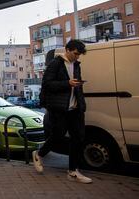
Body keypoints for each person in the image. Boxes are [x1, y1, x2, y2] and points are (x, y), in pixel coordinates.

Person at [32, 39, 92, 184]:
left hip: (75, 108)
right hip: (59, 108)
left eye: (79, 55)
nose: (77, 57)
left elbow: (77, 87)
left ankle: (73, 172)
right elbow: (47, 84)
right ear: (68, 50)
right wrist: (67, 83)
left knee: (78, 137)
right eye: (75, 54)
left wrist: (81, 104)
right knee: (57, 136)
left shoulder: (76, 65)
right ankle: (38, 154)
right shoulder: (56, 63)